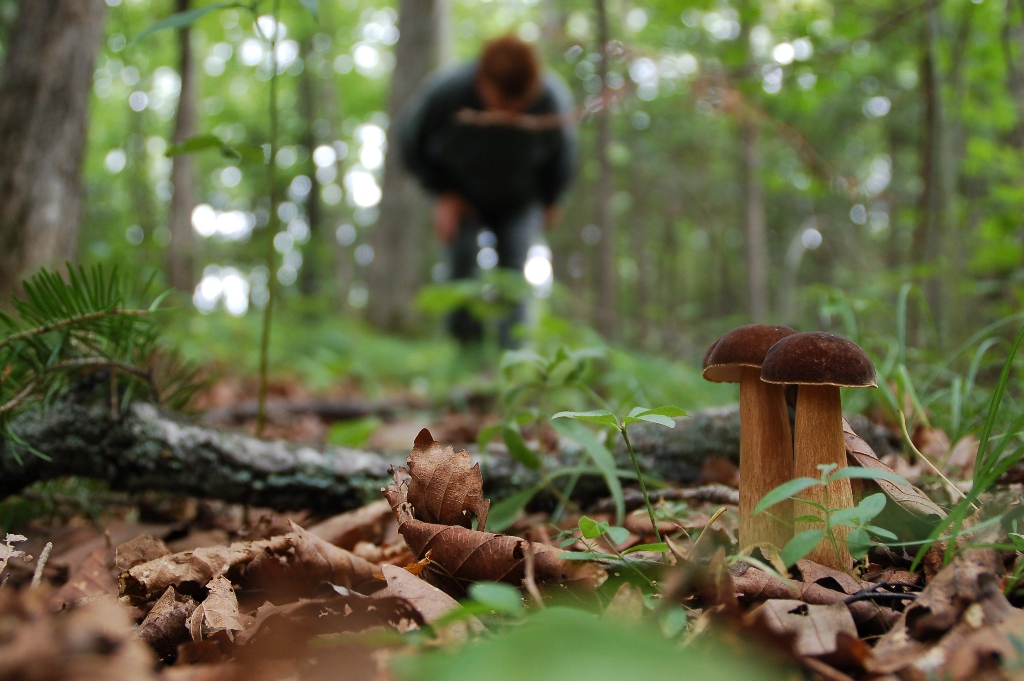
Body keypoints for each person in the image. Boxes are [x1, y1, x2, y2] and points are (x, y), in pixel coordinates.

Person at [397, 35, 577, 345]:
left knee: (514, 278)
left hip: (521, 201)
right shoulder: (446, 93)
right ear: (482, 82)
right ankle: (465, 357)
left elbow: (564, 157)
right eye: (505, 103)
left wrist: (551, 201)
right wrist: (442, 193)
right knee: (461, 267)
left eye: (522, 103)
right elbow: (409, 143)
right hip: (462, 197)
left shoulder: (551, 98)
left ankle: (515, 363)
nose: (514, 111)